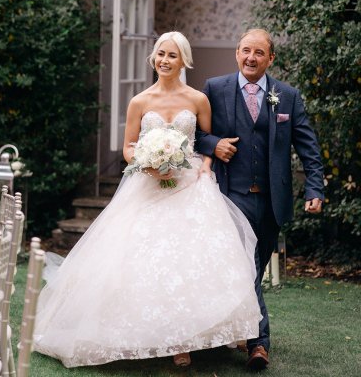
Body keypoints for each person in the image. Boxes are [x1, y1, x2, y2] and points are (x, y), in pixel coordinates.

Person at [33, 31, 262, 368]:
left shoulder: (198, 99)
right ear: (153, 58)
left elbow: (205, 141)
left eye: (171, 55)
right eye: (159, 54)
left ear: (183, 60)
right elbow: (128, 147)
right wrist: (148, 162)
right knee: (143, 260)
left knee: (188, 261)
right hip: (148, 184)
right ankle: (158, 338)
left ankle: (186, 341)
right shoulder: (140, 101)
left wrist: (206, 168)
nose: (164, 61)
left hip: (189, 185)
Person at [195, 28, 324, 370]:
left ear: (271, 58)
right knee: (247, 270)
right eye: (245, 51)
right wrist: (213, 145)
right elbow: (194, 132)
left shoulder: (288, 96)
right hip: (228, 197)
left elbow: (308, 146)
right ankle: (259, 343)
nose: (251, 58)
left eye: (258, 53)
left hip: (270, 201)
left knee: (252, 268)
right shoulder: (215, 88)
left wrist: (315, 189)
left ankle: (227, 333)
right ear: (236, 53)